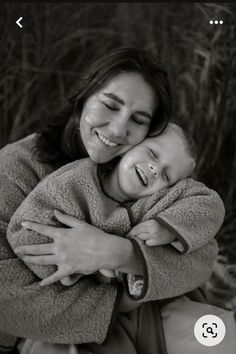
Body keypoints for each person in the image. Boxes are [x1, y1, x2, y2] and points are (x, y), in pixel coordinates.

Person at [0, 47, 224, 354]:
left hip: (154, 311)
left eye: (139, 119)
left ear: (151, 131)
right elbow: (5, 294)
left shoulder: (149, 174)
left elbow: (202, 253)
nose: (119, 129)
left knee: (221, 340)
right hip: (64, 327)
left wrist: (124, 254)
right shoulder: (17, 166)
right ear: (84, 95)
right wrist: (117, 303)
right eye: (109, 105)